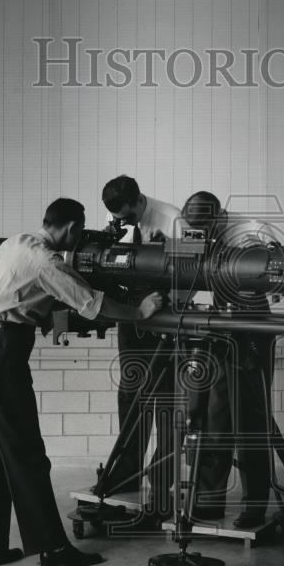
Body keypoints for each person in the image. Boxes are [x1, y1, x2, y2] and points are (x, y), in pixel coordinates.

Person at [0, 197, 163, 566]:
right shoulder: (48, 263)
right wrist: (138, 311)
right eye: (80, 232)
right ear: (72, 228)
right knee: (27, 454)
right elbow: (91, 303)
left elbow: (20, 292)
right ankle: (53, 549)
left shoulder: (17, 242)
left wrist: (44, 314)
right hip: (3, 354)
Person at [180, 191, 276, 529]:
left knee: (250, 419)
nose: (199, 233)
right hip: (216, 326)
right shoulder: (195, 233)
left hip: (249, 328)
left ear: (219, 216)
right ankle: (208, 499)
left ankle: (254, 506)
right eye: (194, 228)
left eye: (204, 227)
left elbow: (279, 278)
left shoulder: (253, 232)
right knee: (214, 415)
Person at [99, 175, 182, 515]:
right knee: (131, 392)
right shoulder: (115, 219)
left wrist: (163, 252)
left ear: (137, 202)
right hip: (132, 315)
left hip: (166, 317)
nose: (120, 223)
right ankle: (127, 474)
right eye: (115, 219)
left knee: (164, 398)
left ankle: (163, 484)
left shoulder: (172, 218)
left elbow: (193, 271)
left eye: (125, 216)